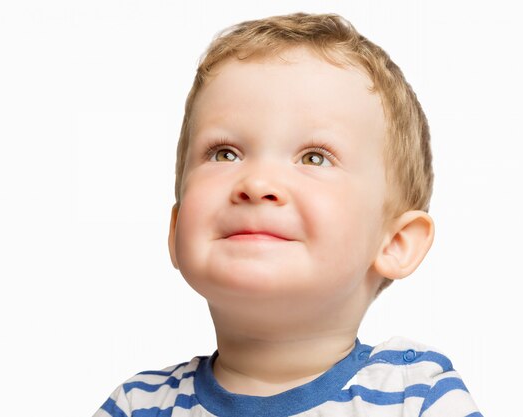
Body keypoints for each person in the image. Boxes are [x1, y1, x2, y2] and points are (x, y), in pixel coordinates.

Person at [94, 12, 482, 417]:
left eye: (314, 157)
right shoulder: (137, 405)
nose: (257, 182)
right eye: (225, 153)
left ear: (396, 243)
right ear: (175, 231)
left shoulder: (416, 396)